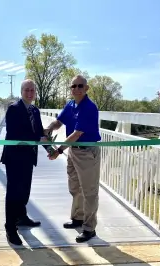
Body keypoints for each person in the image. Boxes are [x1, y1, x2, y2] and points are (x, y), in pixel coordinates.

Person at [44, 74, 101, 243]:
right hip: (74, 152)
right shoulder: (70, 105)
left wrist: (58, 151)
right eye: (73, 86)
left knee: (89, 191)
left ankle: (89, 228)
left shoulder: (89, 107)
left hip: (87, 152)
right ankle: (78, 218)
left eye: (80, 86)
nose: (76, 89)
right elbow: (59, 122)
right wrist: (47, 129)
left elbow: (76, 134)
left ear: (86, 88)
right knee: (75, 187)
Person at [0, 79, 53, 245]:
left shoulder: (35, 111)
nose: (30, 93)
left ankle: (21, 217)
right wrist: (38, 138)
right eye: (26, 90)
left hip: (29, 157)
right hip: (14, 157)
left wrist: (50, 149)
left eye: (32, 90)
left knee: (25, 190)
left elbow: (39, 133)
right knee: (14, 193)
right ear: (21, 92)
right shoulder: (13, 109)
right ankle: (10, 227)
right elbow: (14, 133)